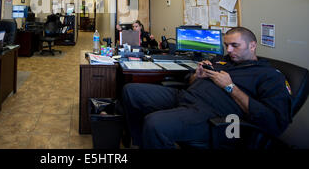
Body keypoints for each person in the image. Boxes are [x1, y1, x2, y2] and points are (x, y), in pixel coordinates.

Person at [122, 27, 292, 149]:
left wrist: (230, 87)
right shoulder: (222, 60)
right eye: (226, 45)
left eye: (235, 45)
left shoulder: (269, 75)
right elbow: (190, 81)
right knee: (131, 91)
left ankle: (152, 138)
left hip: (211, 113)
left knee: (154, 124)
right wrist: (197, 76)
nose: (229, 50)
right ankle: (142, 142)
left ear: (252, 45)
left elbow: (275, 122)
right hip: (184, 97)